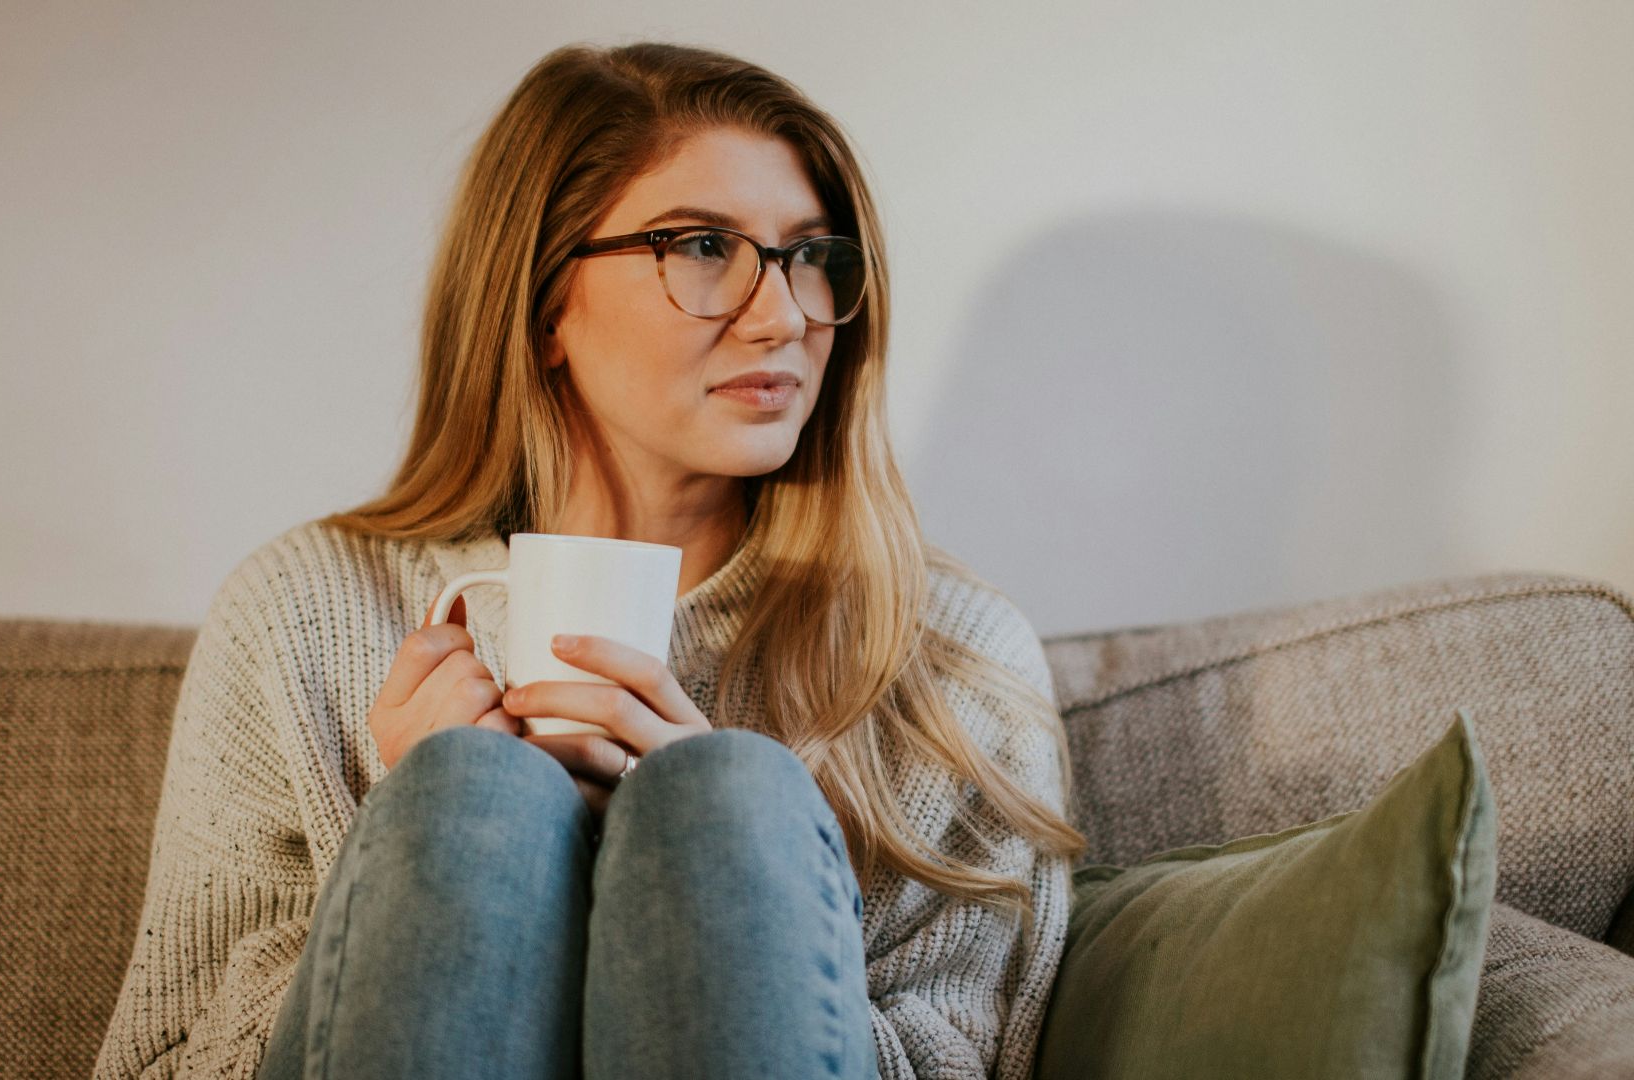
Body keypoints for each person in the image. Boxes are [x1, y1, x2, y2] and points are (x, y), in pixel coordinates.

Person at [91, 40, 1087, 1080]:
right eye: (705, 247)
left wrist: (721, 888)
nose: (785, 315)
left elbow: (972, 1062)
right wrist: (419, 852)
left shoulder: (946, 657)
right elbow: (164, 1065)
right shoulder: (302, 610)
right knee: (471, 799)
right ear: (544, 302)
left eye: (810, 257)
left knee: (725, 801)